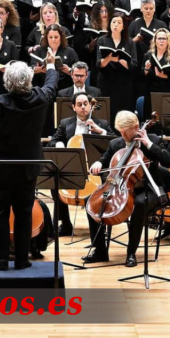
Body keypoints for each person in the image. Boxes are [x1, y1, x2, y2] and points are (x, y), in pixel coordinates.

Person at [0, 53, 58, 271]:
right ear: (29, 80)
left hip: (3, 167)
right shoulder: (40, 98)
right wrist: (50, 65)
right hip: (28, 167)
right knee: (24, 211)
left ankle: (1, 259)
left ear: (7, 82)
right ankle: (21, 259)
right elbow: (51, 83)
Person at [83, 111, 170, 266]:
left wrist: (148, 144)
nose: (122, 135)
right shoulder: (115, 143)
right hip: (121, 187)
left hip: (149, 189)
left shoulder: (153, 140)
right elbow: (105, 160)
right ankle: (100, 251)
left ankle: (131, 252)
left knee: (139, 203)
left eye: (125, 132)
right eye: (120, 132)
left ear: (136, 127)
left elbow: (169, 161)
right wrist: (98, 163)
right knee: (90, 201)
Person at [49, 92, 111, 236]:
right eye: (79, 104)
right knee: (55, 183)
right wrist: (59, 144)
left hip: (94, 168)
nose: (83, 107)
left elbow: (114, 142)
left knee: (105, 182)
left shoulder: (102, 124)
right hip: (72, 166)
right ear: (73, 107)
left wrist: (101, 132)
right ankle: (65, 223)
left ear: (90, 106)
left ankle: (99, 224)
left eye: (85, 104)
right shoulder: (65, 123)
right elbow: (53, 141)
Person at [96, 14, 137, 121]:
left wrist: (122, 61)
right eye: (113, 22)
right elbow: (99, 63)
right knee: (107, 114)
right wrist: (109, 58)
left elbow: (134, 65)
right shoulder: (102, 40)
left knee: (123, 115)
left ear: (123, 26)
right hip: (106, 81)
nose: (116, 25)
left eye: (119, 22)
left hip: (124, 83)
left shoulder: (130, 42)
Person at [29, 23, 76, 95]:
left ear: (61, 37)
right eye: (50, 37)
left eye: (56, 37)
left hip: (64, 88)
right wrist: (37, 69)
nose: (53, 40)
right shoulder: (39, 50)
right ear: (46, 38)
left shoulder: (70, 51)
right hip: (43, 87)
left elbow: (77, 68)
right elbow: (31, 66)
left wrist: (69, 71)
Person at [142, 28, 170, 115]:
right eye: (159, 38)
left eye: (164, 38)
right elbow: (142, 75)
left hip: (167, 90)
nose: (161, 41)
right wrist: (147, 68)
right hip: (151, 91)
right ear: (155, 40)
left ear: (168, 41)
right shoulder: (148, 55)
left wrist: (161, 75)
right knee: (150, 116)